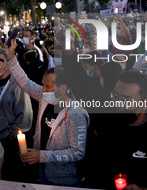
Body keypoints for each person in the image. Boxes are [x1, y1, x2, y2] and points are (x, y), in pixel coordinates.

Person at [5, 39, 89, 187]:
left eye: (48, 86)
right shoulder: (45, 98)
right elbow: (25, 82)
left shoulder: (76, 113)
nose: (43, 90)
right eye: (42, 85)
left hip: (65, 180)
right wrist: (11, 58)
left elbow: (77, 152)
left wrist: (42, 156)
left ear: (63, 88)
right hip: (43, 171)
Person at [84, 70, 147, 190]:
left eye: (127, 99)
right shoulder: (103, 124)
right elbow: (93, 165)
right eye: (115, 96)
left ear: (145, 103)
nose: (118, 104)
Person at [0, 51, 32, 181]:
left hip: (10, 140)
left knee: (11, 173)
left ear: (6, 65)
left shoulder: (17, 85)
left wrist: (11, 135)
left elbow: (25, 114)